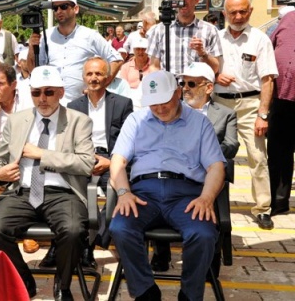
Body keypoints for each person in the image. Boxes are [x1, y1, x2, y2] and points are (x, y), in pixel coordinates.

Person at [109, 70, 227, 301]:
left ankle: (190, 295)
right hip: (144, 193)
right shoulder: (136, 120)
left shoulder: (200, 122)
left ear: (178, 92)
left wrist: (206, 198)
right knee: (120, 228)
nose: (160, 109)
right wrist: (123, 193)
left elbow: (216, 167)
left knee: (203, 234)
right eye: (153, 104)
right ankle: (145, 291)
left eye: (164, 102)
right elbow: (118, 161)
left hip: (186, 193)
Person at [0, 66, 95, 301]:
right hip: (22, 192)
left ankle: (62, 284)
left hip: (63, 193)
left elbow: (86, 164)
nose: (42, 99)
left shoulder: (79, 121)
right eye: (37, 93)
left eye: (49, 92)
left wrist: (41, 154)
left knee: (74, 231)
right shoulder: (17, 121)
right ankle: (24, 280)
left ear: (61, 92)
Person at [42, 57, 132, 269]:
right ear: (83, 78)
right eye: (90, 74)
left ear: (108, 77)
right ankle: (59, 243)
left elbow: (129, 140)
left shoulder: (122, 104)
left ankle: (89, 245)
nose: (94, 78)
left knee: (115, 193)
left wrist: (110, 161)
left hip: (111, 159)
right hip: (82, 158)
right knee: (67, 193)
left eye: (99, 73)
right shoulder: (73, 106)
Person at [151, 62, 240, 273]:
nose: (186, 88)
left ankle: (209, 258)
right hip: (176, 172)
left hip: (209, 172)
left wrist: (203, 150)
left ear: (209, 87)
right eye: (183, 83)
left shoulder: (226, 113)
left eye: (192, 83)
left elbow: (232, 145)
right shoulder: (171, 109)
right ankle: (161, 253)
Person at [214, 0, 278, 230]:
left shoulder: (260, 39)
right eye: (233, 12)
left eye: (242, 11)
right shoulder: (215, 38)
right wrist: (216, 75)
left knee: (258, 157)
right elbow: (202, 70)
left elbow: (268, 79)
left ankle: (262, 208)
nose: (238, 17)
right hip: (219, 103)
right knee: (210, 155)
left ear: (250, 11)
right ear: (225, 14)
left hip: (250, 105)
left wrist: (263, 114)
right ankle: (207, 202)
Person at [27, 0, 123, 103]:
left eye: (63, 6)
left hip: (81, 104)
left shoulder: (90, 35)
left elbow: (116, 59)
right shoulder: (45, 36)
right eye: (55, 8)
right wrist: (31, 49)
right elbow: (32, 70)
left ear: (76, 9)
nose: (58, 11)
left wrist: (100, 86)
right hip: (52, 105)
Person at [147, 0, 222, 76]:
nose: (183, 1)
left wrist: (203, 53)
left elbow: (215, 68)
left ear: (197, 0)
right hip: (170, 88)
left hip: (196, 88)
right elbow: (154, 66)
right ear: (174, 0)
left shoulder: (210, 30)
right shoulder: (160, 29)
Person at [268, 7, 295, 215]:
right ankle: (278, 203)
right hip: (281, 97)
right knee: (278, 153)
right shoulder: (286, 19)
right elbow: (269, 48)